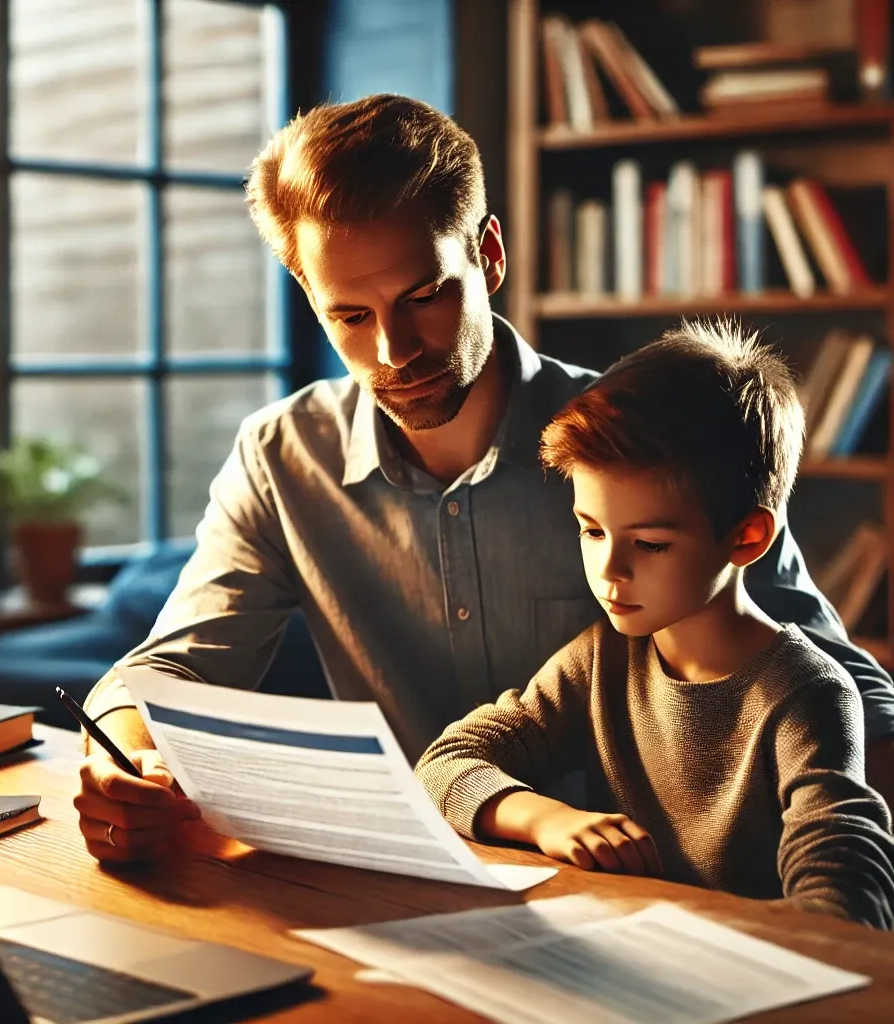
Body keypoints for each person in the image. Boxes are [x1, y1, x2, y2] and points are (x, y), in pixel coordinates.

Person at [72, 93, 894, 866]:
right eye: (349, 317)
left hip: (632, 887)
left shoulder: (640, 447)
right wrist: (129, 762)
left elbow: (833, 680)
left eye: (424, 296)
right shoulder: (281, 457)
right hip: (401, 877)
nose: (394, 352)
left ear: (488, 254)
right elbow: (164, 670)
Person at [415, 322, 894, 928]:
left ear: (747, 537)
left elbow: (842, 896)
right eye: (591, 530)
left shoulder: (808, 695)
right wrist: (547, 818)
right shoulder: (602, 659)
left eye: (649, 544)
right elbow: (444, 763)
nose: (609, 570)